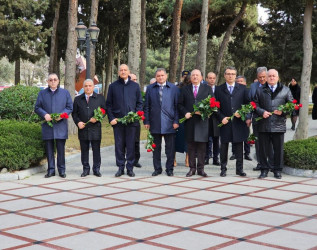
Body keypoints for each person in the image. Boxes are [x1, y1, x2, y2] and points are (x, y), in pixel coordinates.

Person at [255, 69, 293, 179]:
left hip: (279, 125)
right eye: (269, 76)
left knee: (278, 149)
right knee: (263, 149)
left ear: (278, 77)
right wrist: (262, 112)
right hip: (264, 124)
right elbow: (254, 105)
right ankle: (264, 170)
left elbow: (291, 106)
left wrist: (283, 112)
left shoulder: (286, 90)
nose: (271, 78)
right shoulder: (259, 90)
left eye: (274, 76)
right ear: (266, 78)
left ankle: (277, 170)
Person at [106, 64, 143, 177]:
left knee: (131, 145)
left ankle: (130, 168)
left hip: (132, 122)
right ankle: (120, 167)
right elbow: (109, 105)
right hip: (118, 122)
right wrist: (111, 118)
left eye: (125, 70)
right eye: (121, 70)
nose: (123, 72)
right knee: (119, 146)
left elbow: (140, 103)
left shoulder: (135, 86)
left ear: (128, 72)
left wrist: (136, 115)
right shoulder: (113, 86)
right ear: (118, 72)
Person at [34, 73, 73, 178]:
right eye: (50, 80)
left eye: (55, 79)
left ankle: (61, 170)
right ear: (47, 82)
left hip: (61, 125)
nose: (53, 81)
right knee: (49, 149)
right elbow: (37, 107)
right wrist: (45, 114)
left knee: (61, 149)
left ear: (58, 81)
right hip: (48, 125)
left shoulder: (65, 93)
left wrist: (62, 115)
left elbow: (69, 107)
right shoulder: (42, 94)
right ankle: (51, 170)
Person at [215, 67, 250, 177]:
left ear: (236, 76)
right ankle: (223, 168)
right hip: (225, 122)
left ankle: (239, 169)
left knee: (239, 146)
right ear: (224, 75)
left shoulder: (243, 89)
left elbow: (248, 105)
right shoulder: (218, 89)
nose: (230, 76)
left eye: (233, 74)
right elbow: (215, 106)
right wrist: (221, 117)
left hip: (239, 123)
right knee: (224, 146)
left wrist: (243, 113)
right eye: (228, 74)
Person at [144, 68, 179, 176]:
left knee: (170, 148)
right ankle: (157, 168)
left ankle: (169, 169)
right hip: (155, 122)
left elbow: (177, 106)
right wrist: (146, 121)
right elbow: (147, 106)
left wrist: (176, 121)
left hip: (170, 122)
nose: (160, 77)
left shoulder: (173, 88)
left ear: (166, 76)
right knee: (156, 148)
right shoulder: (150, 88)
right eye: (158, 76)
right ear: (156, 77)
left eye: (162, 75)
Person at [178, 69, 213, 177]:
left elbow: (212, 103)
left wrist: (205, 112)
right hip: (190, 122)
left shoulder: (207, 88)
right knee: (191, 146)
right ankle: (192, 168)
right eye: (193, 75)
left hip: (202, 122)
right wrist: (185, 113)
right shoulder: (184, 89)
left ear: (201, 77)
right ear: (190, 77)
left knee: (202, 147)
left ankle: (201, 169)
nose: (195, 77)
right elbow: (180, 104)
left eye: (197, 75)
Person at [72, 79, 106, 177]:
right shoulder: (78, 99)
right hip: (83, 129)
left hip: (95, 128)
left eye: (90, 86)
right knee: (84, 150)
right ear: (83, 87)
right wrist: (78, 122)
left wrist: (97, 118)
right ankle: (86, 169)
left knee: (96, 150)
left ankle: (96, 169)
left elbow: (104, 111)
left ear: (93, 87)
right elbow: (74, 114)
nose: (88, 87)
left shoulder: (100, 98)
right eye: (86, 86)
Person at [249, 67, 274, 171]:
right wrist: (248, 117)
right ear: (257, 77)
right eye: (260, 77)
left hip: (270, 119)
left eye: (264, 77)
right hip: (257, 119)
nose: (262, 79)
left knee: (270, 143)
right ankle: (260, 163)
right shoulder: (253, 86)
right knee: (258, 143)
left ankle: (271, 164)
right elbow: (251, 103)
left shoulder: (273, 86)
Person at [230, 75, 252, 161]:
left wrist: (248, 118)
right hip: (235, 117)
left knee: (246, 136)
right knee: (234, 135)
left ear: (245, 83)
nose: (239, 83)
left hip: (245, 117)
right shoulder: (233, 91)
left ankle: (247, 153)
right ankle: (234, 153)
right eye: (237, 81)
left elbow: (249, 106)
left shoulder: (247, 91)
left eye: (241, 81)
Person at [175, 73, 191, 167]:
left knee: (189, 139)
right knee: (177, 138)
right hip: (180, 115)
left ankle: (187, 159)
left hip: (191, 116)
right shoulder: (178, 88)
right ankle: (174, 159)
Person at [205, 72, 220, 166]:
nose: (212, 80)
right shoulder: (203, 89)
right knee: (206, 139)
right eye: (210, 78)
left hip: (217, 118)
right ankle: (206, 157)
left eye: (213, 78)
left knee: (216, 139)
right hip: (206, 118)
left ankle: (215, 158)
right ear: (206, 79)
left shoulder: (219, 90)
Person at [129, 73, 142, 168]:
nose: (135, 81)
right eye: (133, 79)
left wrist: (137, 113)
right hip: (124, 120)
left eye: (136, 79)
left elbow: (140, 102)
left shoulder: (137, 89)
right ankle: (127, 159)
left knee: (136, 140)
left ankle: (136, 160)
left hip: (135, 119)